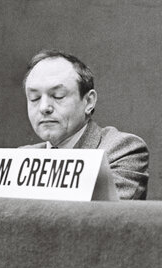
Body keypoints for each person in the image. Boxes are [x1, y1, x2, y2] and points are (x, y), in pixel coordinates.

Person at [21, 49, 149, 200]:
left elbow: (103, 218)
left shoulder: (122, 149)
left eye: (58, 96)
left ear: (89, 101)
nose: (44, 107)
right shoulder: (21, 157)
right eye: (34, 98)